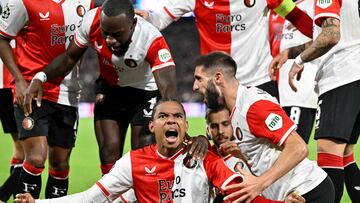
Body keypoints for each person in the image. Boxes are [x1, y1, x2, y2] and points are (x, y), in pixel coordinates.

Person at [22, 0, 208, 177]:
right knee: (108, 152)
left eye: (117, 34)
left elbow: (169, 94)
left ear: (133, 24)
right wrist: (41, 77)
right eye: (106, 33)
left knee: (143, 150)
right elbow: (70, 57)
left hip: (145, 94)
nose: (110, 40)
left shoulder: (151, 39)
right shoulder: (91, 21)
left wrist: (183, 134)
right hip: (110, 90)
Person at [14, 98, 305, 203]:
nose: (171, 121)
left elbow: (240, 195)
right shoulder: (134, 162)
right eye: (164, 117)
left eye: (177, 116)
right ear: (151, 126)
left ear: (184, 125)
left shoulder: (203, 157)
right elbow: (91, 198)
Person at [192, 51, 334, 203]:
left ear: (218, 78)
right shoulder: (237, 108)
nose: (195, 86)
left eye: (199, 79)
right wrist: (242, 154)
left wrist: (259, 183)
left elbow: (298, 148)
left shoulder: (253, 105)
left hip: (308, 192)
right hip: (288, 195)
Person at [0, 0, 94, 198]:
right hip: (33, 91)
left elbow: (91, 37)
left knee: (60, 164)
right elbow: (2, 38)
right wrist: (19, 81)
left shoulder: (87, 2)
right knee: (35, 158)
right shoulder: (23, 2)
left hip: (68, 94)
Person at [135, 0, 314, 99]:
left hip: (259, 81)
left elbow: (297, 16)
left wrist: (323, 35)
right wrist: (148, 17)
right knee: (224, 150)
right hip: (217, 85)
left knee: (269, 149)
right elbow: (159, 19)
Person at [276, 1, 360, 202]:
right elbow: (327, 35)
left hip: (342, 76)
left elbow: (331, 35)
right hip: (355, 74)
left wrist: (299, 61)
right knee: (346, 153)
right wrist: (290, 53)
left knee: (328, 153)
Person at [268, 0, 317, 143]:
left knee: (294, 149)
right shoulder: (278, 7)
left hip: (300, 91)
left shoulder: (314, 5)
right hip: (281, 90)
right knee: (279, 150)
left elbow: (327, 37)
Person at [0, 36, 24, 202]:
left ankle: (18, 197)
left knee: (20, 150)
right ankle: (3, 195)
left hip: (2, 90)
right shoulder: (20, 16)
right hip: (16, 88)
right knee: (37, 154)